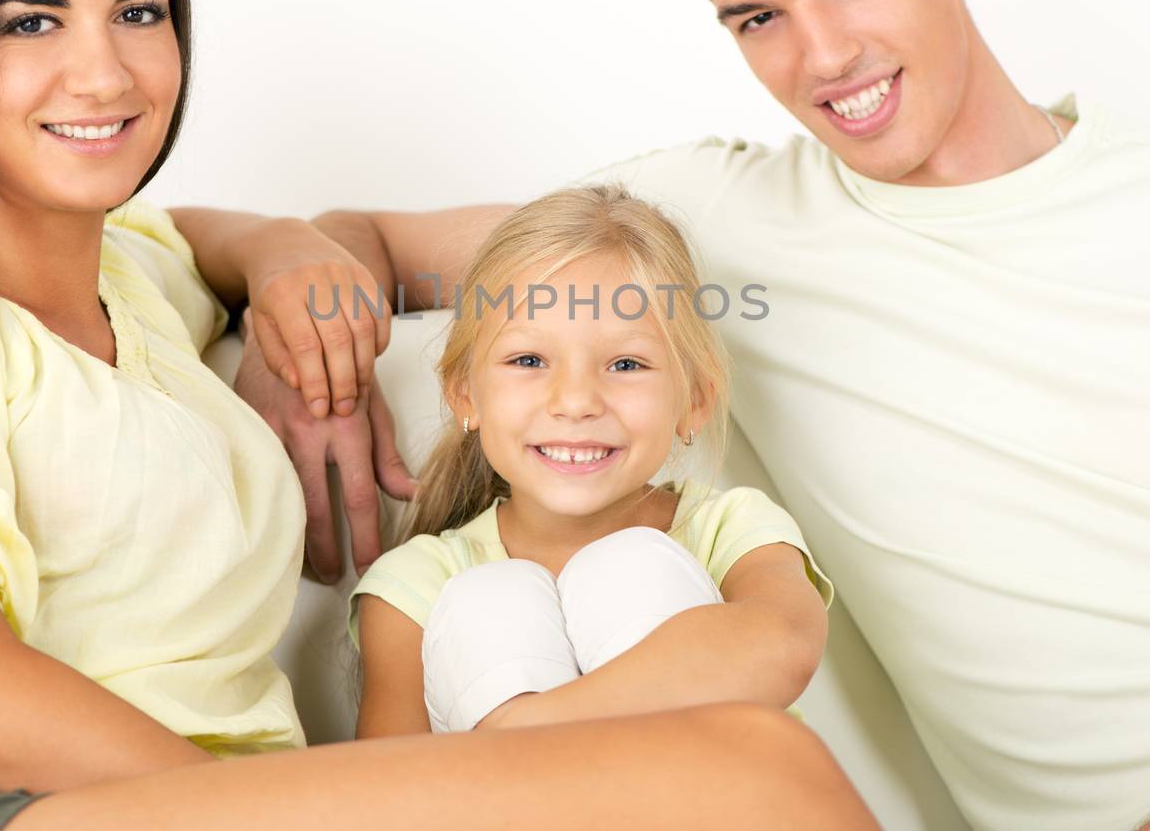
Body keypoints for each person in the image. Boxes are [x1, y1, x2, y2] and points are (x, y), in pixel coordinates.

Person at [188, 0, 1150, 828]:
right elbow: (376, 241)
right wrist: (311, 335)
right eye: (759, 17)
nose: (825, 53)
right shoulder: (711, 227)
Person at [0, 0, 878, 831]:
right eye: (32, 22)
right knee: (750, 768)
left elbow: (193, 235)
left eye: (141, 12)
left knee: (722, 772)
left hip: (199, 801)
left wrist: (288, 258)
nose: (102, 70)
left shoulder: (134, 283)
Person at [348, 185, 834, 737]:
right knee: (486, 602)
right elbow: (388, 789)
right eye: (528, 359)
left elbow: (783, 645)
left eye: (626, 364)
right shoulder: (418, 585)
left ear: (694, 401)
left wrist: (523, 730)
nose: (576, 401)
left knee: (632, 567)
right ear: (465, 394)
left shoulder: (732, 529)